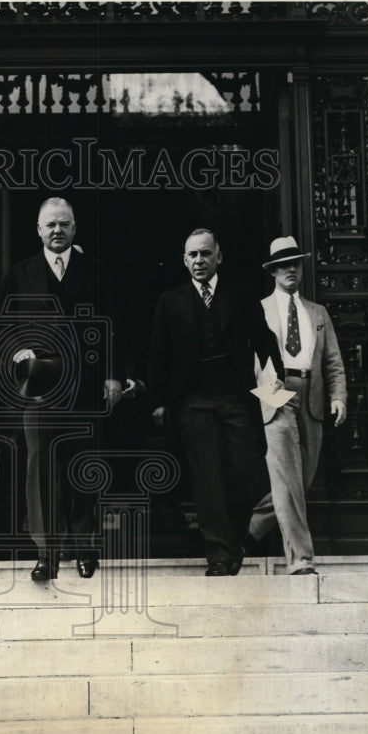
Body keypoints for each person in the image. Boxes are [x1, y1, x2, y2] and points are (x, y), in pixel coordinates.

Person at [0, 197, 123, 582]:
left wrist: (114, 375)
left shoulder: (96, 271)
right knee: (41, 469)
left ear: (74, 228)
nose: (57, 230)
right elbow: (3, 330)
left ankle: (85, 548)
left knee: (82, 465)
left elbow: (115, 327)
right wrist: (19, 352)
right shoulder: (20, 274)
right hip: (39, 388)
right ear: (38, 230)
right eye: (49, 224)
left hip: (85, 385)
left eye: (63, 224)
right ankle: (46, 554)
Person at [148, 228, 284, 576]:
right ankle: (219, 554)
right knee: (207, 478)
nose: (199, 261)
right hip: (193, 401)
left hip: (237, 396)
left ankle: (236, 538)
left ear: (218, 257)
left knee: (244, 472)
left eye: (205, 254)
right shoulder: (170, 300)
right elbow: (158, 355)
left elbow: (264, 340)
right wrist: (160, 402)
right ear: (183, 260)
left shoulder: (240, 293)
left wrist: (276, 379)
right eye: (192, 255)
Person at [247, 236, 347, 574]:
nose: (291, 269)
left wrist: (338, 396)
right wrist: (260, 390)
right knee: (288, 477)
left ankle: (246, 528)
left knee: (299, 480)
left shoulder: (317, 312)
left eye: (296, 263)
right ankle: (301, 559)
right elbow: (247, 360)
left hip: (312, 393)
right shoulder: (258, 309)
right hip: (276, 392)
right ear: (273, 271)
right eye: (284, 264)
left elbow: (332, 360)